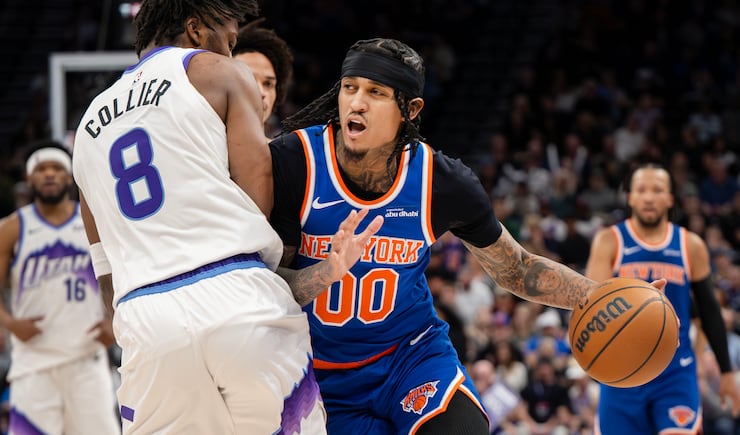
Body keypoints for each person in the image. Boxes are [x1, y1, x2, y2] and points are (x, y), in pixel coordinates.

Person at [269, 37, 609, 434]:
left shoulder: (441, 182)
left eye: (376, 92)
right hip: (319, 370)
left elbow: (516, 269)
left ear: (410, 110)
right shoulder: (296, 162)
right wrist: (327, 271)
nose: (356, 103)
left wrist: (598, 296)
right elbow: (269, 286)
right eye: (350, 87)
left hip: (409, 356)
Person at [71, 1, 381, 433]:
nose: (230, 52)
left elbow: (104, 269)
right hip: (233, 291)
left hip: (144, 316)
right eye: (230, 41)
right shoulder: (218, 73)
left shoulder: (87, 126)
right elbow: (258, 202)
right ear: (196, 30)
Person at [585, 163, 740, 434]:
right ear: (630, 197)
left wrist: (726, 372)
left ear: (670, 198)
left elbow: (708, 311)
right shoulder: (609, 241)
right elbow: (591, 307)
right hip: (622, 373)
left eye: (657, 190)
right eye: (641, 190)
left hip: (675, 373)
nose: (648, 197)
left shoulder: (690, 245)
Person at [0, 142, 120, 434]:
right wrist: (10, 323)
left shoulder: (93, 220)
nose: (50, 174)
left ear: (70, 176)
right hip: (33, 362)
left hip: (87, 358)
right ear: (29, 179)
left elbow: (121, 272)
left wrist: (114, 322)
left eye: (57, 168)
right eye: (42, 169)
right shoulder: (12, 228)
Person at [232, 17, 294, 138]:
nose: (261, 92)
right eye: (248, 80)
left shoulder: (287, 150)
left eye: (268, 84)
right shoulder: (197, 144)